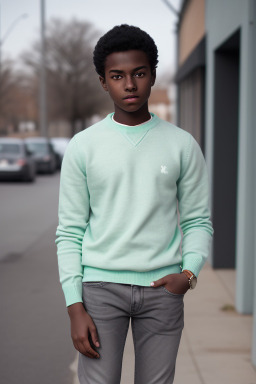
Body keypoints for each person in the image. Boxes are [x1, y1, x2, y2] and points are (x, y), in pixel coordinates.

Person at [55, 24, 214, 384]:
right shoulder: (83, 146)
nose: (129, 85)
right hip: (99, 291)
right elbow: (69, 231)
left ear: (152, 75)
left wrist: (188, 275)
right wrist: (73, 305)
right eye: (117, 76)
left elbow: (197, 221)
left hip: (163, 291)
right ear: (103, 81)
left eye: (139, 73)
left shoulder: (181, 144)